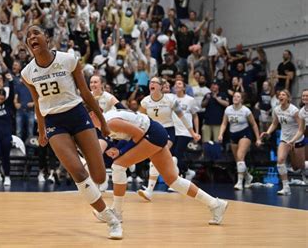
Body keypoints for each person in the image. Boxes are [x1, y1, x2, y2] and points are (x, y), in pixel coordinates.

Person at [21, 25, 122, 239]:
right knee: (77, 173)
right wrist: (41, 131)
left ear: (46, 38)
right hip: (54, 122)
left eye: (36, 33)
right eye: (28, 36)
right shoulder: (27, 72)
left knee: (100, 175)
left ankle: (93, 181)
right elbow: (38, 103)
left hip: (78, 115)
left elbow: (86, 92)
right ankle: (110, 218)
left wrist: (102, 121)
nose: (32, 37)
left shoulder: (68, 59)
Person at [88, 108, 228, 226]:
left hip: (151, 134)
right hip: (155, 132)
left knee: (118, 166)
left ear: (92, 114)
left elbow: (138, 134)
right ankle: (215, 204)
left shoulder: (111, 122)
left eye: (85, 115)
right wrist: (119, 149)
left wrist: (122, 152)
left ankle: (116, 213)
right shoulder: (105, 122)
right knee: (173, 180)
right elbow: (131, 136)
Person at [138, 76, 200, 201]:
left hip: (168, 131)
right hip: (152, 131)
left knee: (154, 158)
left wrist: (193, 133)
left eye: (155, 82)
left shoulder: (170, 100)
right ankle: (174, 167)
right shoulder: (145, 101)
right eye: (151, 82)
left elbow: (183, 117)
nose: (152, 84)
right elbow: (139, 119)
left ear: (161, 86)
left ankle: (149, 190)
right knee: (157, 160)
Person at [261, 90, 305, 195]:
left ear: (288, 98)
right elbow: (274, 123)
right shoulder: (276, 110)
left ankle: (305, 175)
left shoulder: (294, 111)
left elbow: (301, 128)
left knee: (298, 166)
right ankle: (286, 187)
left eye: (283, 95)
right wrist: (268, 132)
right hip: (284, 139)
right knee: (280, 160)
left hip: (297, 139)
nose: (281, 96)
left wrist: (293, 140)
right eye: (279, 95)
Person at [218, 92, 262, 190]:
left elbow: (254, 124)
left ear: (242, 99)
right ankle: (248, 177)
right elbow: (224, 123)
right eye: (234, 96)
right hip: (233, 135)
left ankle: (239, 182)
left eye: (238, 97)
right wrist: (220, 134)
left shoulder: (246, 111)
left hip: (245, 134)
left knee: (240, 155)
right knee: (239, 160)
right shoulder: (228, 109)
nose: (235, 98)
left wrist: (258, 138)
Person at [172, 80, 199, 181]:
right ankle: (188, 171)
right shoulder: (171, 98)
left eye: (179, 83)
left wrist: (196, 132)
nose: (176, 85)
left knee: (177, 154)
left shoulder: (190, 100)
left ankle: (180, 177)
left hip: (185, 131)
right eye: (176, 83)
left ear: (184, 88)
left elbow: (195, 116)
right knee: (173, 155)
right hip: (173, 131)